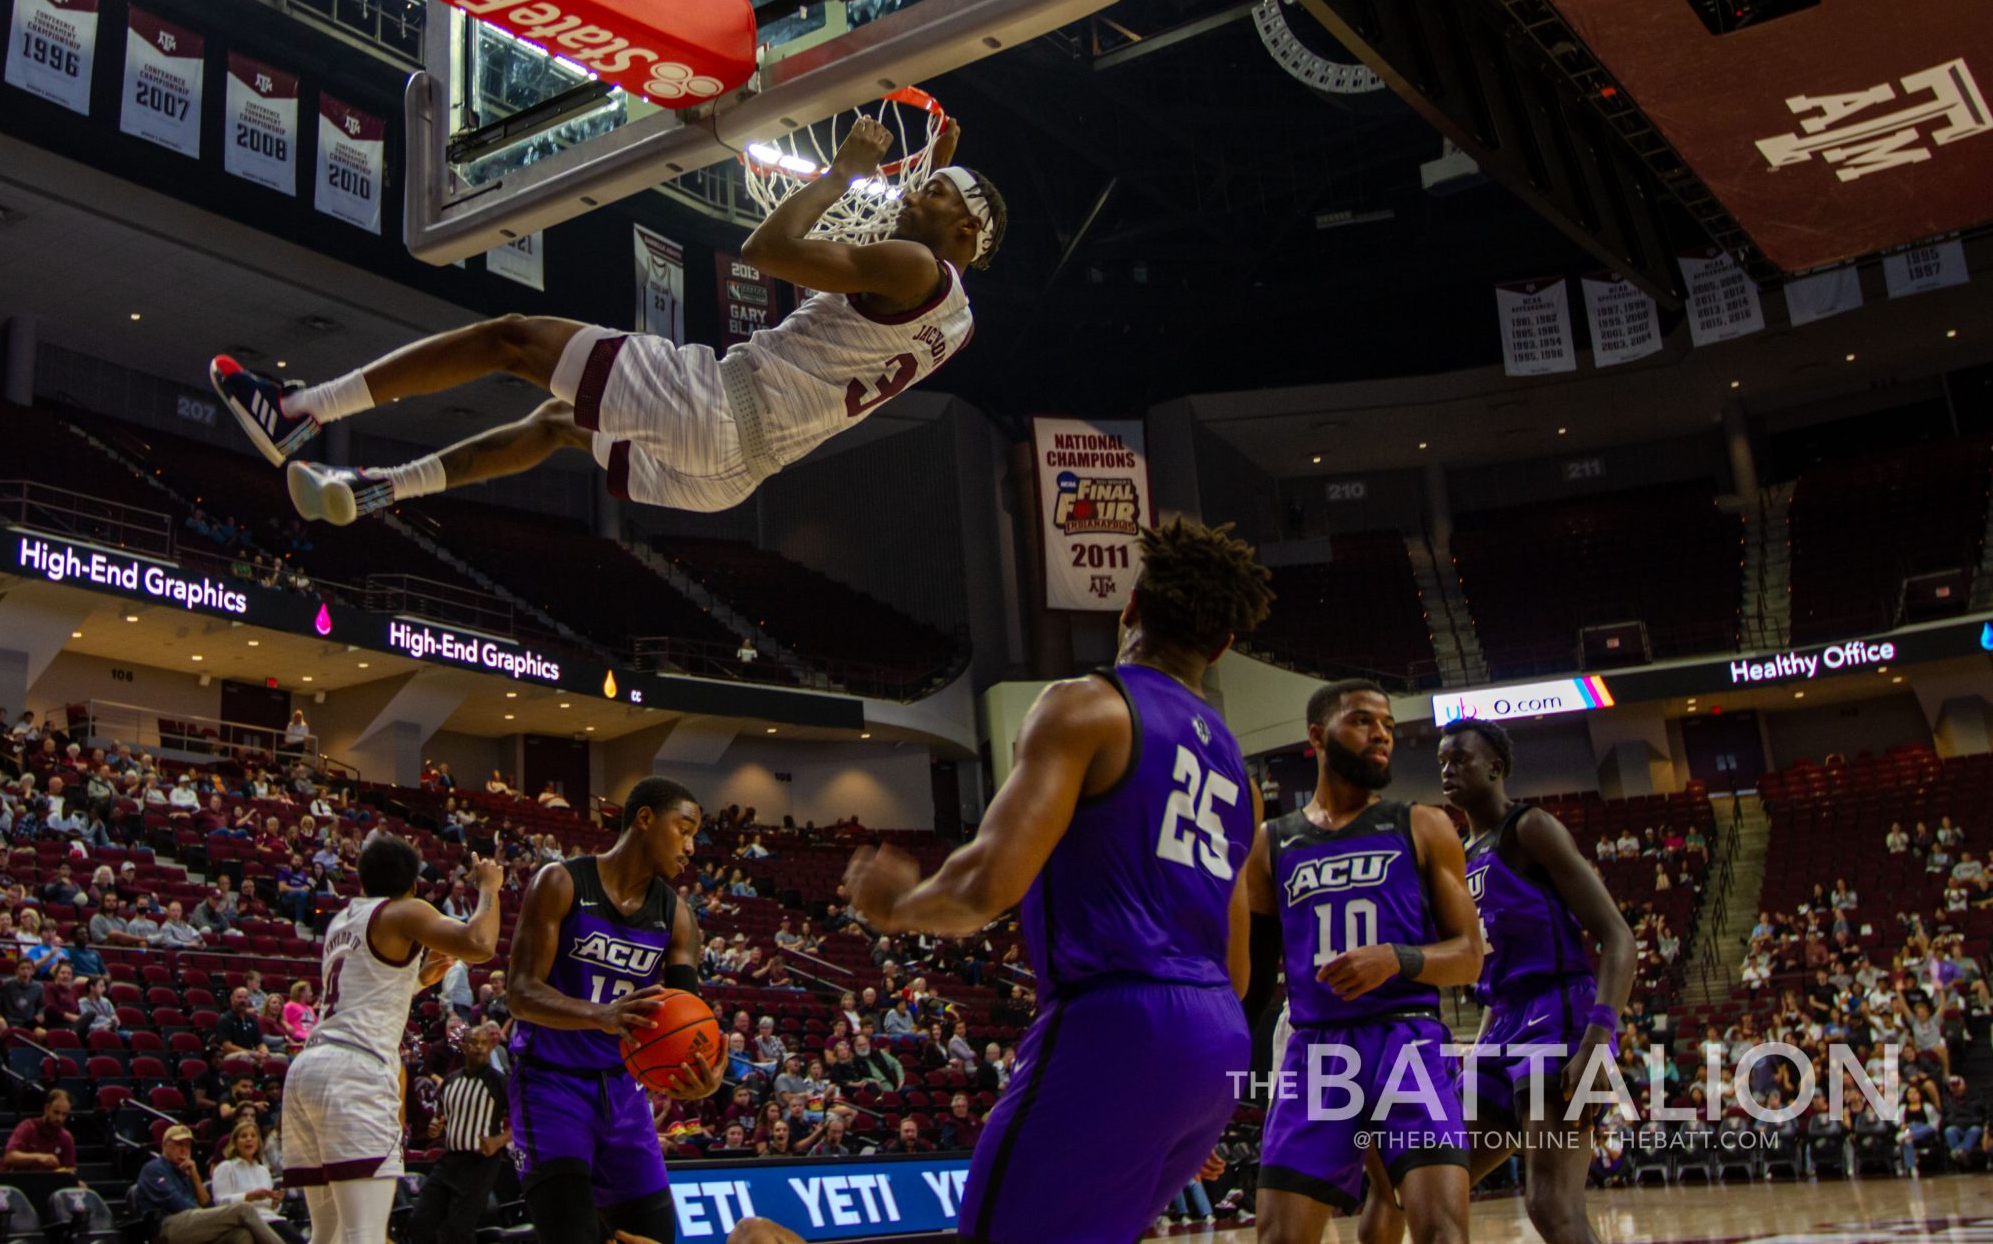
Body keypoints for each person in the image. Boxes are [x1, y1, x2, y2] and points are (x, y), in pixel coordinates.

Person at [209, 113, 999, 522]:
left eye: (933, 194)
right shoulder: (958, 322)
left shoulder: (918, 264)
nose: (910, 194)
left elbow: (768, 247)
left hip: (722, 404)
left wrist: (841, 172)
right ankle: (380, 488)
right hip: (733, 477)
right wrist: (929, 170)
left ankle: (296, 411)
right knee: (556, 421)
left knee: (512, 338)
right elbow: (905, 253)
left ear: (964, 234)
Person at [840, 519, 1274, 1244]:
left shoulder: (1086, 705)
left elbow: (986, 882)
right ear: (1224, 645)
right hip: (1216, 1042)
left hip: (1118, 1023)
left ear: (1129, 606)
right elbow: (1237, 964)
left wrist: (897, 905)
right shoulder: (1240, 773)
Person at [1240, 680, 1482, 1244]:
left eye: (1389, 726)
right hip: (1315, 1051)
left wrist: (1397, 959)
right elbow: (1248, 989)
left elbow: (1469, 957)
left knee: (1443, 1233)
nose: (1381, 734)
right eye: (1362, 721)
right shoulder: (1270, 843)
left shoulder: (1421, 824)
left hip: (1407, 1046)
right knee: (1277, 1238)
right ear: (1318, 737)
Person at [1437, 718, 1637, 1243]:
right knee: (1433, 1181)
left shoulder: (1530, 829)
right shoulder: (1460, 856)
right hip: (1502, 1021)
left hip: (1558, 1016)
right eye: (1442, 761)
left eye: (1459, 758)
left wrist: (1598, 1044)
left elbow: (1619, 937)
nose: (1447, 769)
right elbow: (1495, 970)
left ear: (1496, 768)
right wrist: (1479, 1050)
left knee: (1552, 1206)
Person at [505, 778, 725, 1244]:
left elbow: (687, 1016)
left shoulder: (677, 915)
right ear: (644, 819)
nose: (690, 848)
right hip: (550, 1084)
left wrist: (705, 1074)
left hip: (624, 1092)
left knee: (655, 1238)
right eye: (683, 830)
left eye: (694, 837)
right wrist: (600, 1015)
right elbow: (520, 994)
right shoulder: (562, 881)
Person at [276, 840, 504, 1244]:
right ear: (413, 885)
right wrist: (489, 886)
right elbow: (480, 943)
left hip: (308, 1069)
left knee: (325, 1234)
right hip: (354, 1071)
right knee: (364, 1235)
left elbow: (362, 991)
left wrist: (417, 978)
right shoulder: (404, 910)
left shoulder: (342, 919)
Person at [411, 1022, 511, 1244]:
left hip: (480, 1164)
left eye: (485, 1043)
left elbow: (522, 1120)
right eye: (474, 1042)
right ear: (464, 1046)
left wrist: (498, 1141)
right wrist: (436, 1127)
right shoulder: (450, 1080)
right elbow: (441, 1116)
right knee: (420, 1221)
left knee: (458, 1230)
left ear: (491, 1047)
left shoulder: (499, 1082)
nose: (479, 1048)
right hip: (449, 1160)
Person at [132, 1122, 290, 1244]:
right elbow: (176, 1203)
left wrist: (195, 1177)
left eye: (187, 1145)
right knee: (243, 1209)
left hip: (193, 1223)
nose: (184, 1150)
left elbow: (207, 1205)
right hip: (166, 1226)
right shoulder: (153, 1169)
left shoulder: (186, 1170)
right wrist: (210, 1215)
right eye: (178, 1145)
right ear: (165, 1145)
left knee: (242, 1235)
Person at [209, 1118, 280, 1214]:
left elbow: (270, 1208)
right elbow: (220, 1202)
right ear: (235, 1143)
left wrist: (275, 1202)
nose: (249, 1139)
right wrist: (248, 1196)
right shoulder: (225, 1167)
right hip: (242, 1220)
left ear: (258, 1142)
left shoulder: (264, 1171)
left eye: (253, 1136)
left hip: (269, 1217)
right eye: (243, 1136)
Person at [4, 1088, 82, 1172]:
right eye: (56, 1112)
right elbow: (9, 1157)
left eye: (64, 1114)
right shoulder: (28, 1127)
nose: (60, 1118)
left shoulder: (66, 1137)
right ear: (47, 1109)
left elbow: (70, 1169)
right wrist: (38, 1157)